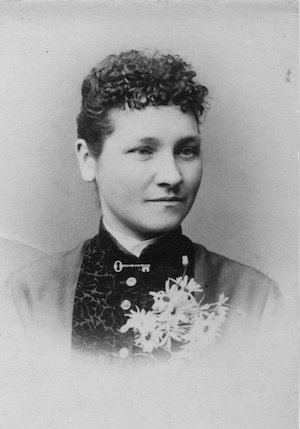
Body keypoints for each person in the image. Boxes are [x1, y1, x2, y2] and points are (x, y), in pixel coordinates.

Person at [3, 50, 281, 364]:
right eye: (144, 151)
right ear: (87, 160)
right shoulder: (29, 295)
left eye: (187, 151)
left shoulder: (255, 298)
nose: (173, 176)